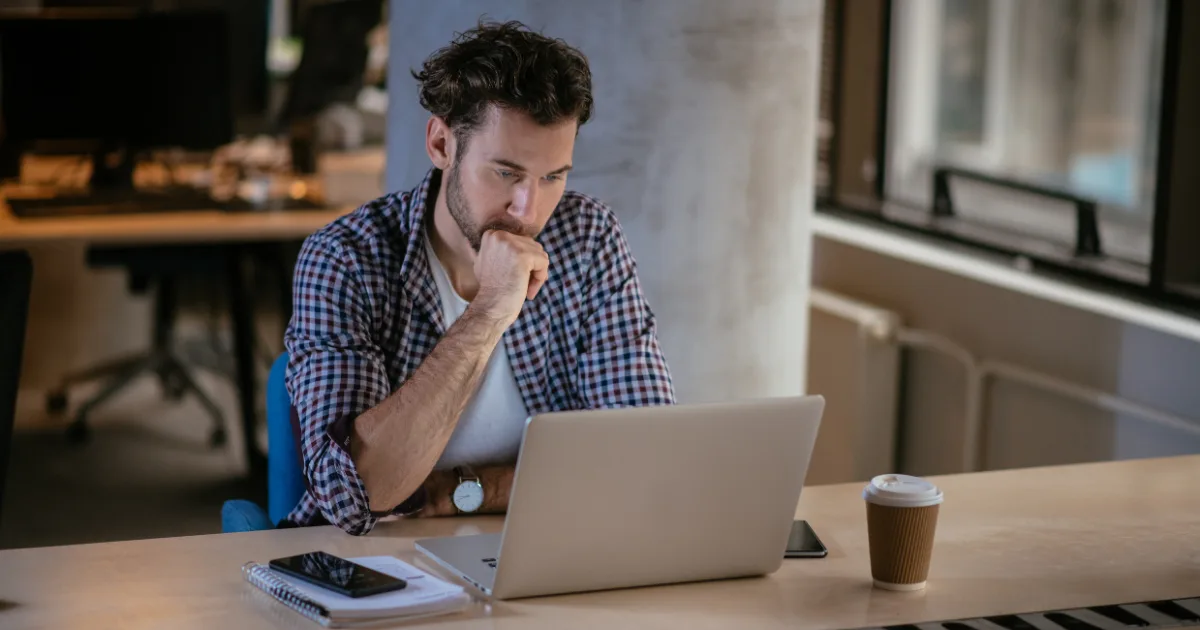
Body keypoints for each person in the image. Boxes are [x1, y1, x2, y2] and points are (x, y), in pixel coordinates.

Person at [283, 20, 675, 535]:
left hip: (546, 550)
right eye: (507, 172)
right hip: (374, 566)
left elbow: (645, 462)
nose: (528, 209)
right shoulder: (345, 259)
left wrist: (461, 492)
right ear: (442, 144)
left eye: (553, 176)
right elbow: (357, 495)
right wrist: (490, 310)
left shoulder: (587, 236)